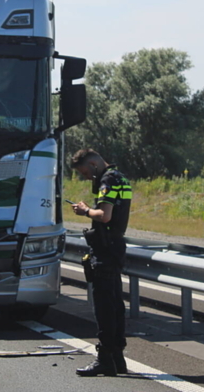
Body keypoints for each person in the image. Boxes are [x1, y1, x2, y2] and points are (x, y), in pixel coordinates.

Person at [69, 149, 133, 377]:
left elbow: (104, 215)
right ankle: (117, 357)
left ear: (95, 163)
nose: (87, 177)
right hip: (115, 247)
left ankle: (105, 358)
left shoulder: (108, 179)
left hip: (105, 250)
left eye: (86, 172)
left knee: (104, 306)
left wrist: (85, 210)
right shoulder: (121, 177)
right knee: (115, 304)